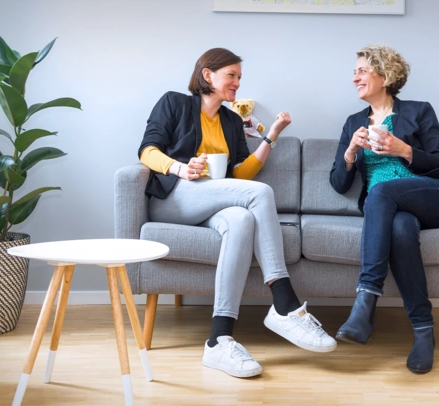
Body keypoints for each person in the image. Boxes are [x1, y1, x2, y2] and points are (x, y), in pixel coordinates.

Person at [139, 48, 336, 378]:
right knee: (261, 194)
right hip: (176, 197)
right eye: (231, 75)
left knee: (243, 218)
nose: (237, 83)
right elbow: (147, 150)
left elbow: (240, 176)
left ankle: (219, 339)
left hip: (214, 201)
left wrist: (271, 136)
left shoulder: (231, 120)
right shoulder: (174, 103)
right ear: (207, 75)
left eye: (239, 77)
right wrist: (180, 168)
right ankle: (285, 303)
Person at [329, 45, 439, 374]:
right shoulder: (353, 123)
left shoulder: (418, 111)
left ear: (384, 76)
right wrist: (350, 154)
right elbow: (339, 183)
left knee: (381, 192)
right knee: (399, 227)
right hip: (387, 207)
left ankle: (366, 298)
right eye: (354, 71)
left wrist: (405, 150)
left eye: (361, 70)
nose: (354, 76)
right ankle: (424, 332)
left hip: (430, 196)